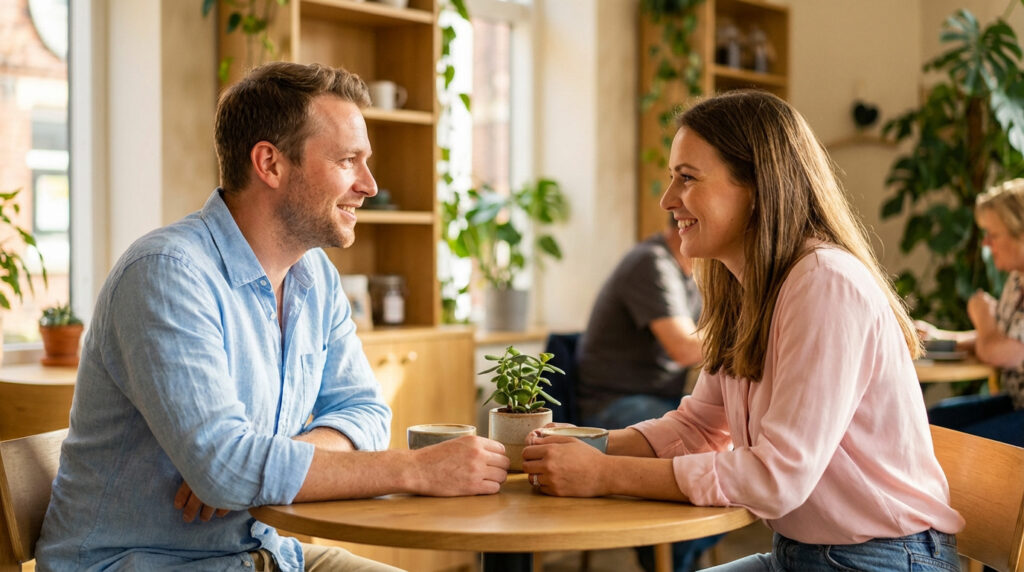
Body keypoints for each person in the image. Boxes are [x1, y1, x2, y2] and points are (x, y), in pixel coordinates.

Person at [35, 62, 509, 572]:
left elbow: (367, 414)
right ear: (270, 164)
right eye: (349, 161)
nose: (369, 185)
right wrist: (414, 469)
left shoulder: (317, 278)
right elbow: (225, 468)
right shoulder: (167, 275)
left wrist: (259, 461)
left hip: (265, 556)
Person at [522, 90, 964, 571]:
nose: (668, 200)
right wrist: (589, 444)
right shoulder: (747, 288)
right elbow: (697, 427)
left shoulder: (823, 282)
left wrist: (605, 474)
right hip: (803, 556)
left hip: (882, 561)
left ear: (757, 186)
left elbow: (776, 479)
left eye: (687, 179)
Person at [576, 215, 719, 571]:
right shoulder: (651, 263)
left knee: (728, 452)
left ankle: (670, 553)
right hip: (612, 402)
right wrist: (751, 333)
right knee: (691, 458)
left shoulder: (691, 272)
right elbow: (685, 349)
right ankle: (666, 556)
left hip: (658, 400)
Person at [917, 178, 1024, 448]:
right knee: (930, 422)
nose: (986, 244)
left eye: (993, 234)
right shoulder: (1016, 280)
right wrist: (937, 338)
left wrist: (983, 314)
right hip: (1016, 402)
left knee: (959, 446)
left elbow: (1002, 352)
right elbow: (994, 340)